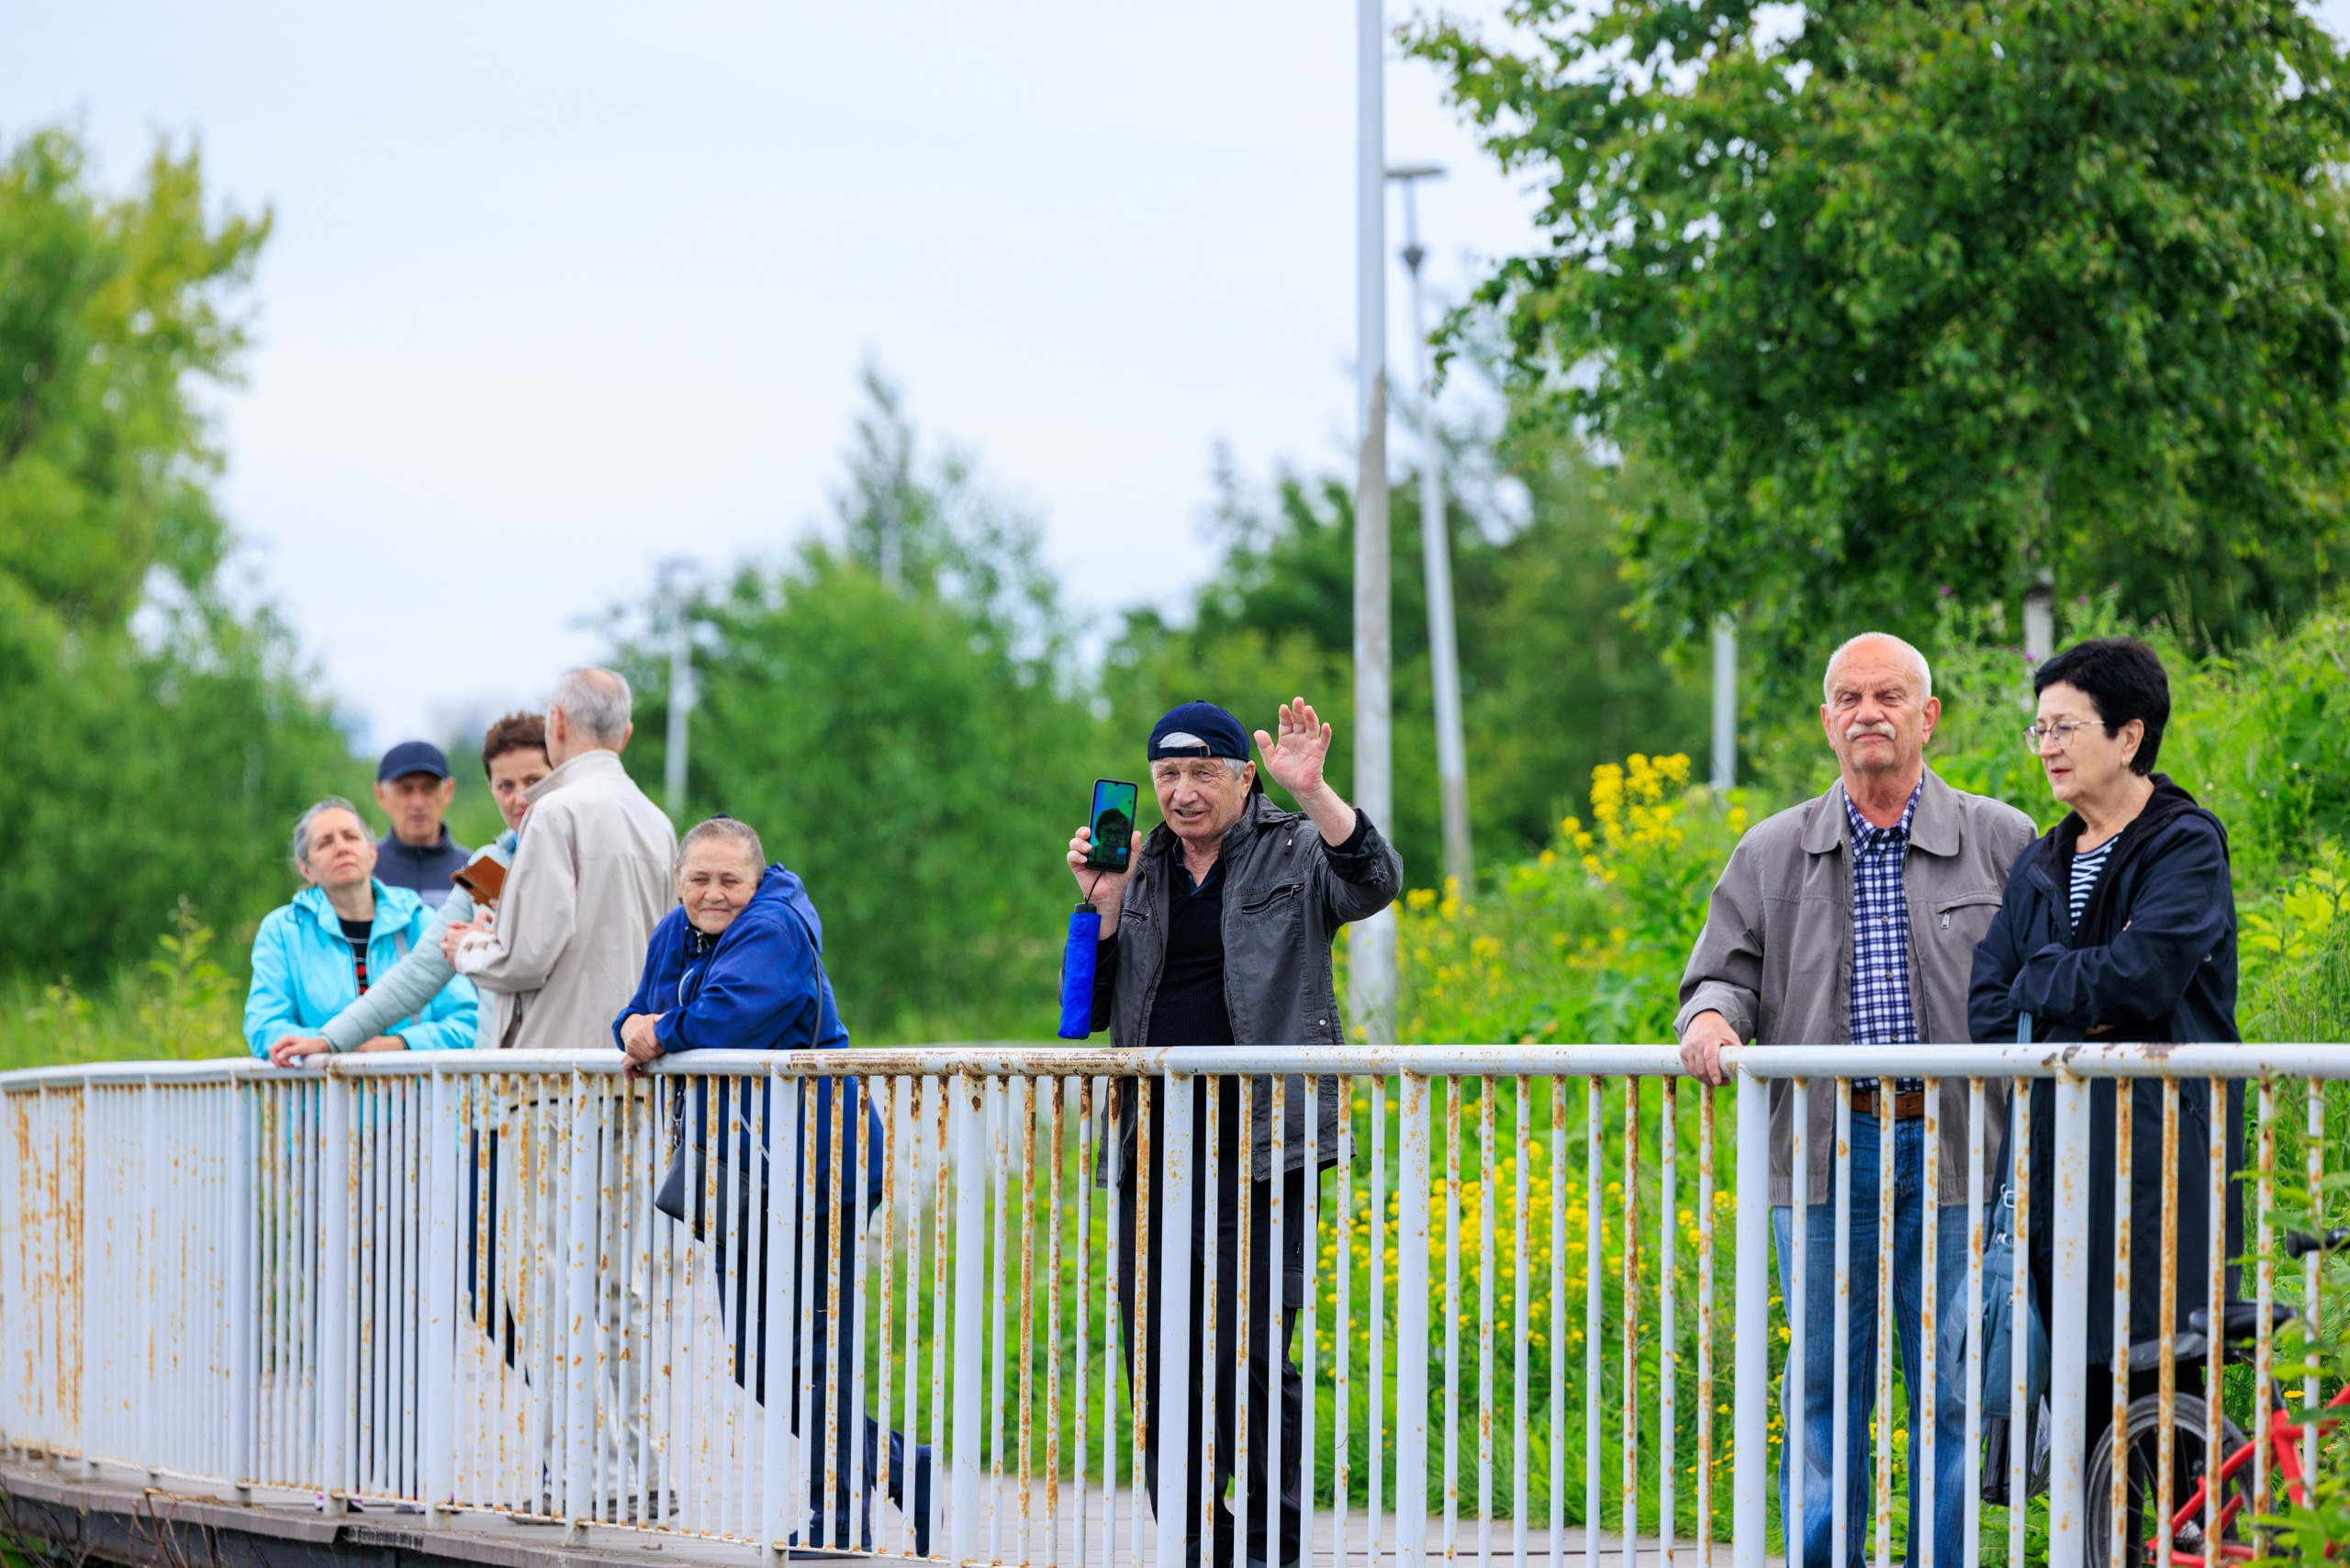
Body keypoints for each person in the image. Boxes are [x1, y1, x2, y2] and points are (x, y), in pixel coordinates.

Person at [1675, 633, 2035, 1568]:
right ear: (1826, 720)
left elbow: (2048, 984)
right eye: (1848, 697)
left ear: (1928, 717)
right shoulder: (1770, 850)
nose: (1867, 711)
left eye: (1888, 695)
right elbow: (1718, 977)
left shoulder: (2002, 837)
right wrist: (1712, 1021)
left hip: (1955, 1145)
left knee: (1948, 1385)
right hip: (1824, 1147)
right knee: (1826, 1382)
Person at [1066, 698, 1402, 1568]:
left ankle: (1267, 1552)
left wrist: (1318, 792)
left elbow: (1376, 880)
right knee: (1155, 1358)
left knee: (1253, 1359)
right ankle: (1194, 1544)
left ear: (1243, 777)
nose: (1180, 793)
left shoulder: (1294, 847)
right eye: (1166, 775)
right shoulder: (1141, 869)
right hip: (1152, 1149)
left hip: (1262, 1148)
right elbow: (1085, 1013)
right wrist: (1098, 903)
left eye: (1200, 773)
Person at [1968, 636, 2243, 1482]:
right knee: (2077, 1389)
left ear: (2129, 736)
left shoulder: (2186, 844)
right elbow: (1987, 1004)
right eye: (2039, 728)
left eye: (2066, 727)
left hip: (2161, 1160)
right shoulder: (2042, 861)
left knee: (2161, 1382)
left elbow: (2144, 974)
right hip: (2058, 1161)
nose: (2047, 745)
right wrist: (2069, 990)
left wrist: (2044, 980)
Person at [615, 816, 926, 1551]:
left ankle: (839, 1519)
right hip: (743, 1174)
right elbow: (637, 1014)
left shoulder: (776, 927)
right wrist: (642, 1026)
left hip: (820, 1168)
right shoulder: (676, 930)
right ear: (679, 879)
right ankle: (899, 1468)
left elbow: (727, 1018)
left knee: (810, 1352)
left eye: (731, 880)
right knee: (760, 1361)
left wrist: (661, 1030)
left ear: (757, 882)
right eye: (700, 879)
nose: (714, 893)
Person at [264, 715, 550, 1065]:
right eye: (505, 785)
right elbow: (420, 971)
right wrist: (333, 1040)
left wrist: (473, 948)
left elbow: (533, 961)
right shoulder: (485, 866)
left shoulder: (471, 869)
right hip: (499, 1080)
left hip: (556, 1069)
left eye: (534, 780)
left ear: (448, 792)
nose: (520, 797)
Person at [448, 667, 677, 1050]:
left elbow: (527, 957)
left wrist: (468, 947)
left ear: (556, 723)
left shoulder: (554, 812)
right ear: (626, 735)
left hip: (559, 1075)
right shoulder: (659, 822)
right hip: (637, 1063)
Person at [245, 798, 478, 1060]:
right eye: (325, 843)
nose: (341, 848)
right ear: (305, 869)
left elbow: (467, 1021)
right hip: (323, 1097)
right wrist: (341, 1045)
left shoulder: (420, 921)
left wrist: (401, 1044)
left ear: (372, 854)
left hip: (417, 1099)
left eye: (350, 837)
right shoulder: (282, 931)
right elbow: (264, 1027)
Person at [373, 740, 470, 909]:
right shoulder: (363, 873)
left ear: (448, 791)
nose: (418, 803)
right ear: (381, 795)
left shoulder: (474, 872)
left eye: (429, 788)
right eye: (405, 789)